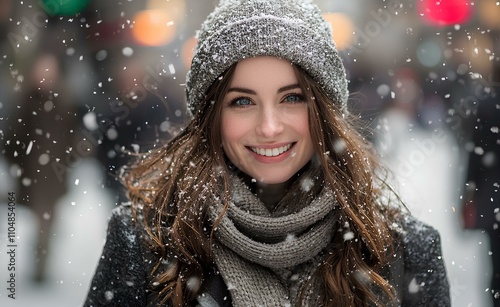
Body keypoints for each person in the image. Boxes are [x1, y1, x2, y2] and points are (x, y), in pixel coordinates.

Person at [84, 0, 450, 306]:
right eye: (242, 101)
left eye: (291, 98)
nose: (270, 127)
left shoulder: (406, 251)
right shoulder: (144, 244)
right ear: (212, 117)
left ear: (322, 111)